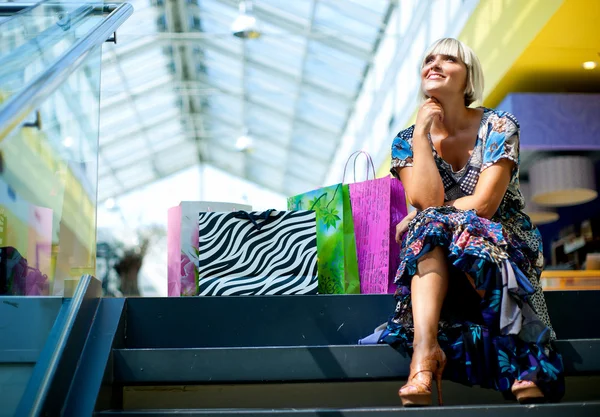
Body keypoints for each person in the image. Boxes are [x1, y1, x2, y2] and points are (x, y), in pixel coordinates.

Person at [380, 38, 564, 407]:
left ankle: (518, 358)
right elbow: (427, 201)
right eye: (429, 59)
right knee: (429, 227)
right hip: (441, 254)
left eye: (448, 59)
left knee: (431, 224)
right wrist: (420, 135)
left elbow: (484, 204)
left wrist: (427, 213)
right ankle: (425, 352)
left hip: (503, 241)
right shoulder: (405, 141)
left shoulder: (498, 126)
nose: (434, 64)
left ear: (467, 78)